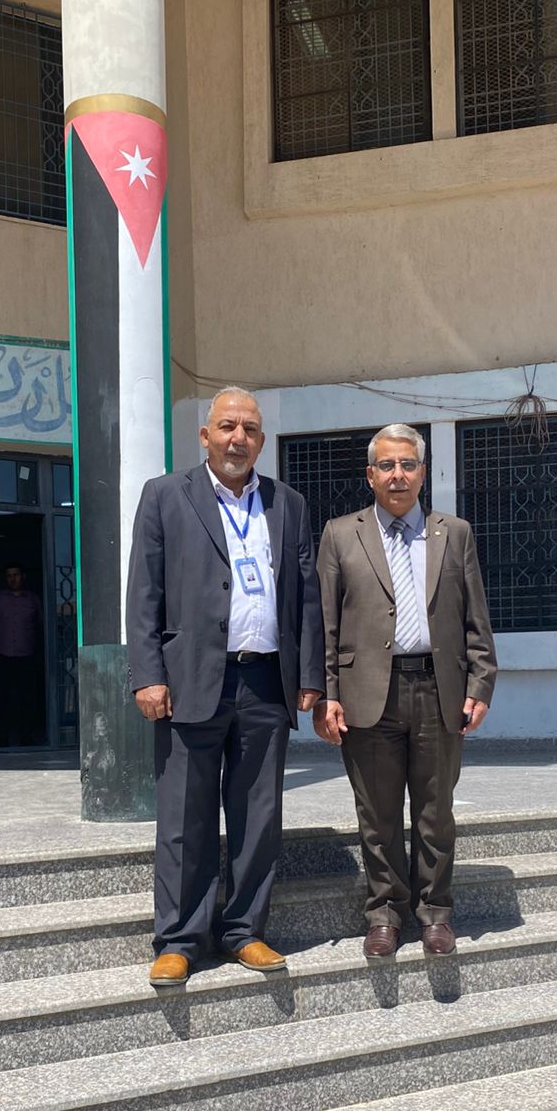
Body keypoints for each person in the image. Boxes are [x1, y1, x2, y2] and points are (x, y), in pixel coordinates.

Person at [126, 386, 324, 985]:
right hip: (189, 681)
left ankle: (244, 931)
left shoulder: (287, 503)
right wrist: (148, 675)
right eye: (228, 427)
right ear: (205, 435)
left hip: (265, 681)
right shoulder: (166, 496)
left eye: (250, 429)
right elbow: (144, 592)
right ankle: (179, 939)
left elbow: (306, 596)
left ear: (261, 440)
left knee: (258, 815)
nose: (239, 438)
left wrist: (308, 675)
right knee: (184, 817)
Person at [314, 424, 496, 959]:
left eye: (408, 464)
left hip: (439, 692)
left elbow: (476, 619)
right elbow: (325, 623)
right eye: (387, 465)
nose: (398, 475)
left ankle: (436, 913)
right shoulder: (340, 534)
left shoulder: (454, 533)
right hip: (368, 694)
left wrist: (481, 683)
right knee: (378, 815)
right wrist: (326, 694)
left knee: (436, 812)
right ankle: (385, 914)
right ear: (370, 475)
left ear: (423, 472)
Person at [0, 563, 43, 747]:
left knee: (28, 698)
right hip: (2, 655)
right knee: (1, 697)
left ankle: (27, 736)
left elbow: (41, 627)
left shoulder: (33, 600)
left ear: (22, 576)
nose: (12, 578)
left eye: (16, 574)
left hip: (27, 655)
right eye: (9, 575)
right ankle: (1, 736)